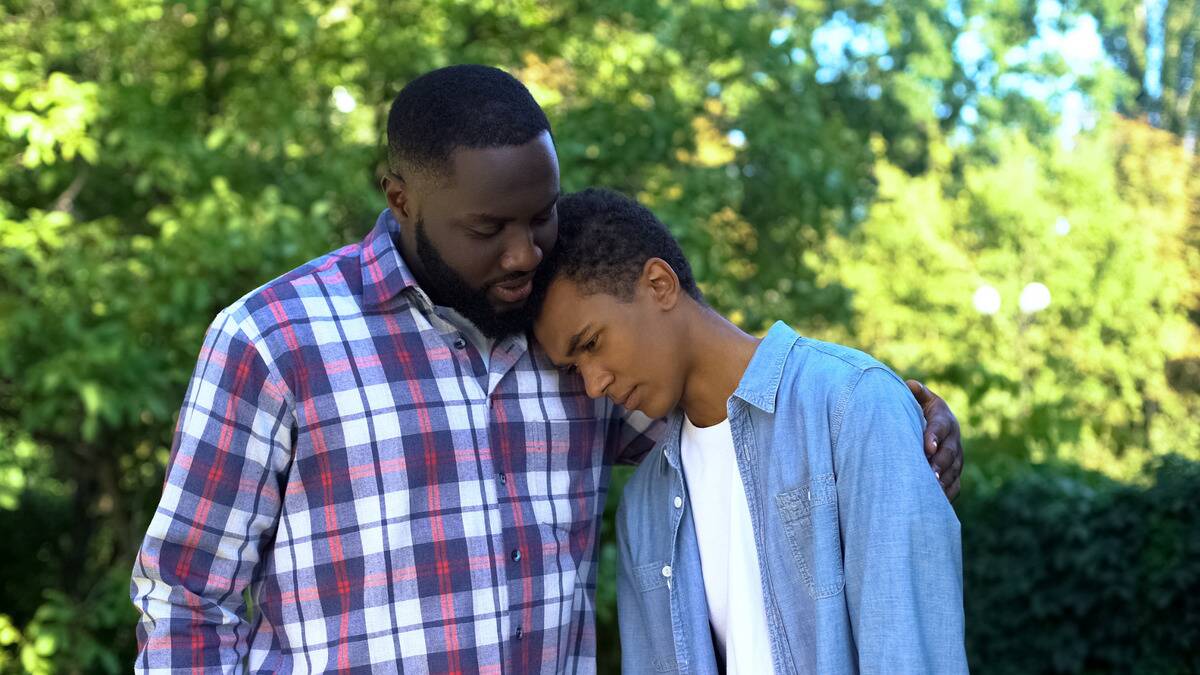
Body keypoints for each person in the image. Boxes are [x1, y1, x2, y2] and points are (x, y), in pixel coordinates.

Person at [131, 65, 964, 673]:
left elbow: (736, 406)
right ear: (401, 197)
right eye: (489, 226)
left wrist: (898, 406)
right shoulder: (274, 341)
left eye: (543, 214)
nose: (525, 251)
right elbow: (184, 594)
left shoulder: (567, 343)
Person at [532, 188, 968, 674]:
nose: (593, 385)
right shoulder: (644, 507)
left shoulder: (853, 406)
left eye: (592, 343)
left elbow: (909, 655)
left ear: (659, 284)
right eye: (574, 368)